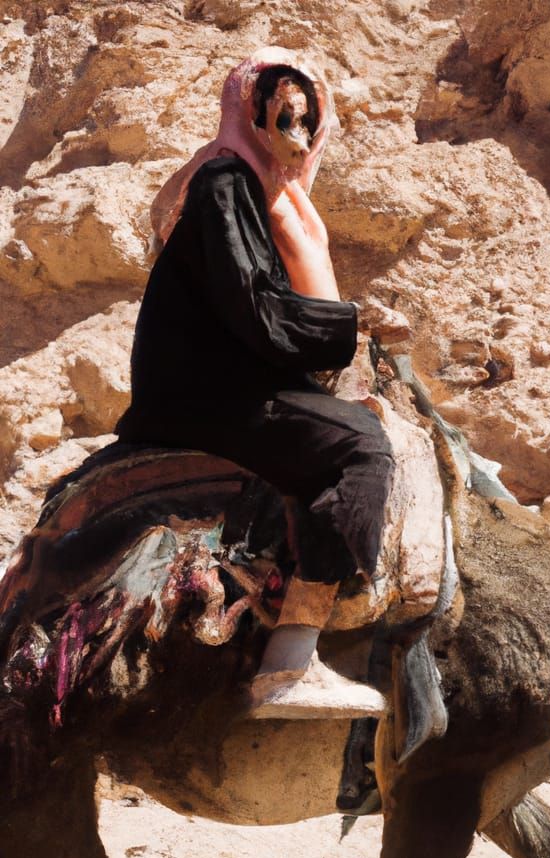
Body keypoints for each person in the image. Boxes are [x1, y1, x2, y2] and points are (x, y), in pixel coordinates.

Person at [116, 48, 395, 717]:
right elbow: (257, 307)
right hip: (208, 396)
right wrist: (352, 326)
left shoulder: (250, 188)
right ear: (251, 116)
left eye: (308, 121)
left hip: (220, 384)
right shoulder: (225, 184)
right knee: (363, 447)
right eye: (282, 120)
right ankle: (292, 657)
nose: (297, 139)